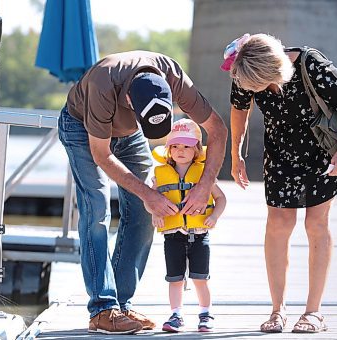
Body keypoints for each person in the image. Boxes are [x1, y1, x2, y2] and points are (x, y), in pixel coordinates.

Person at [58, 51, 227, 335]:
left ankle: (122, 305)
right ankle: (102, 309)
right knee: (97, 210)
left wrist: (204, 186)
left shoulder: (173, 77)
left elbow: (217, 130)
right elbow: (102, 155)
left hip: (130, 131)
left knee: (141, 213)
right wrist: (150, 195)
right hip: (82, 126)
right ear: (129, 102)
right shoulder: (103, 83)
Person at [221, 33, 337, 333]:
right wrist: (236, 155)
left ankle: (314, 312)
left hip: (323, 153)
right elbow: (239, 109)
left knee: (316, 224)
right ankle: (277, 310)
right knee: (278, 224)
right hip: (279, 155)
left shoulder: (311, 63)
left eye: (262, 85)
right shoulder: (245, 68)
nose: (260, 91)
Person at [150, 119, 227, 333]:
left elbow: (221, 199)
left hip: (199, 235)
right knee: (174, 279)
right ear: (168, 149)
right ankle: (176, 315)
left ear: (196, 150)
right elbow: (150, 200)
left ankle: (205, 313)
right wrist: (155, 212)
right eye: (175, 146)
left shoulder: (205, 174)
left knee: (200, 278)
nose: (180, 150)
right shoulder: (159, 175)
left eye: (186, 146)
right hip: (172, 236)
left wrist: (215, 217)